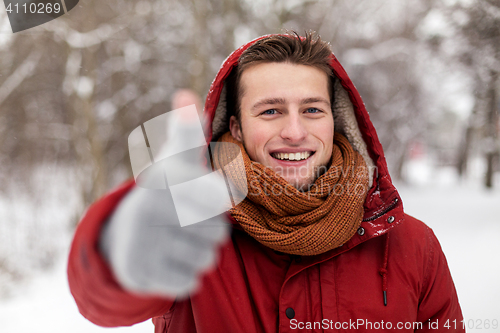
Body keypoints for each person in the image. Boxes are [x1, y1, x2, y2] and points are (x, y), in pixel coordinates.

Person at [68, 32, 465, 332]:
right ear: (236, 128)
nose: (295, 131)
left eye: (311, 109)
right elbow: (102, 302)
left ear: (335, 121)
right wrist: (115, 251)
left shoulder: (411, 246)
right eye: (271, 111)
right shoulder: (190, 227)